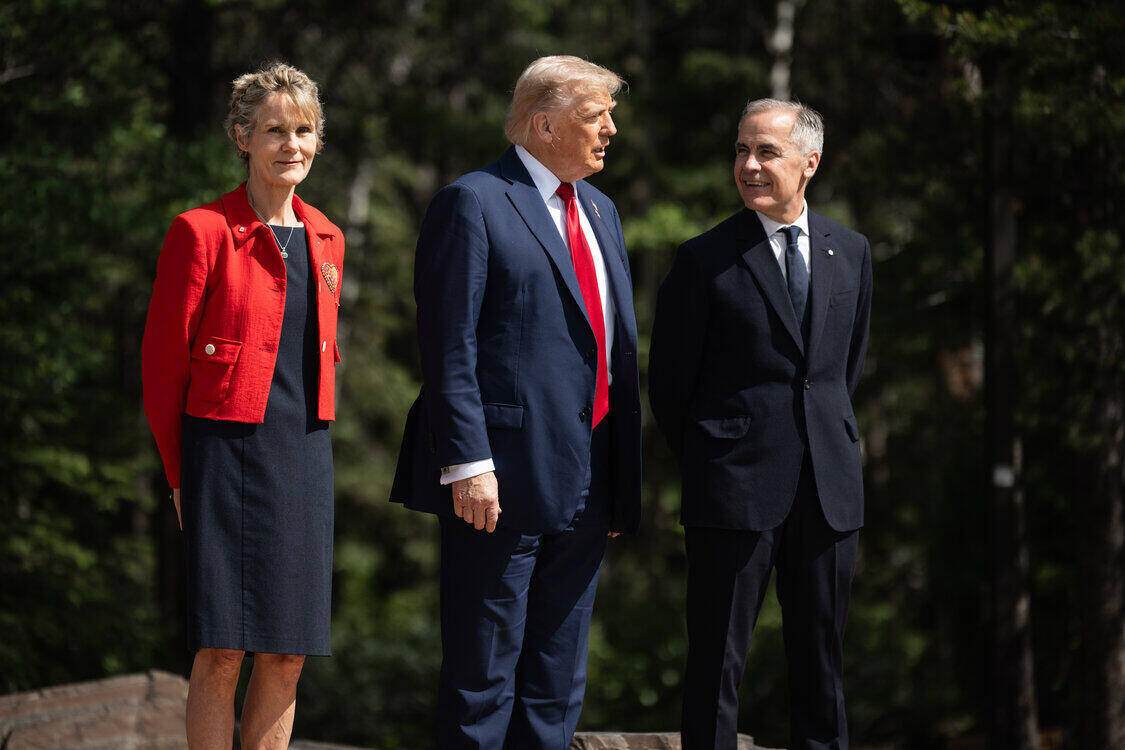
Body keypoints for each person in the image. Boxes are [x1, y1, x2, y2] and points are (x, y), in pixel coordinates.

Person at [390, 55, 642, 750]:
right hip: (496, 480)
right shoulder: (473, 200)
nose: (610, 131)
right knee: (482, 681)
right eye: (596, 117)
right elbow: (449, 344)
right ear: (543, 124)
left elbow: (611, 349)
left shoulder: (600, 210)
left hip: (588, 475)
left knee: (556, 687)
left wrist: (620, 474)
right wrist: (468, 461)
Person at [649, 99, 873, 750]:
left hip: (828, 490)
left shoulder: (851, 250)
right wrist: (718, 456)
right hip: (732, 488)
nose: (747, 166)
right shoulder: (702, 260)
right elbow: (669, 387)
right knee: (716, 663)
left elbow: (839, 369)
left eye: (764, 153)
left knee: (821, 663)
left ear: (809, 162)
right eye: (740, 151)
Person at [141, 62, 345, 750]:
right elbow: (162, 370)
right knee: (222, 651)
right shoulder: (199, 232)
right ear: (241, 138)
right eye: (274, 131)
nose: (293, 144)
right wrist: (178, 476)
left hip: (304, 456)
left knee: (288, 652)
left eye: (305, 130)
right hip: (222, 457)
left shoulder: (327, 239)